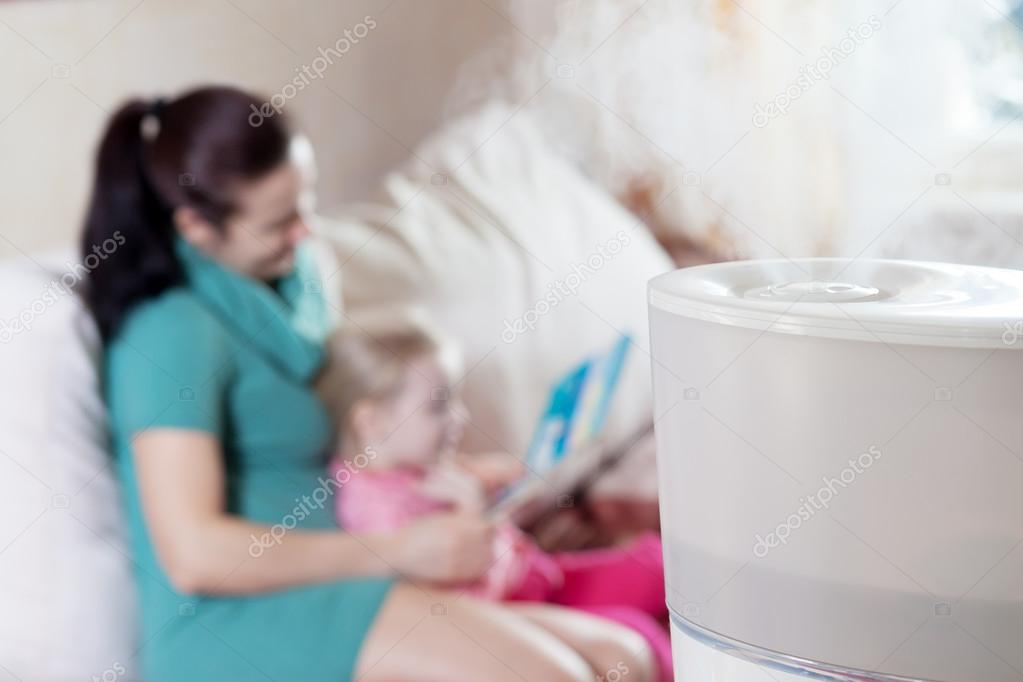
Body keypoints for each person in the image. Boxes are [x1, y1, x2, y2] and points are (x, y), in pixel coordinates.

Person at [84, 84, 654, 682]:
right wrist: (402, 551)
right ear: (197, 228)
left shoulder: (287, 293)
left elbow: (345, 454)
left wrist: (452, 480)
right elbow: (194, 555)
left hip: (343, 579)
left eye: (306, 206)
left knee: (623, 657)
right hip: (241, 618)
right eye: (280, 222)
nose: (305, 233)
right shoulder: (173, 331)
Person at [317, 315, 673, 681]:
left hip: (540, 576)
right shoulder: (376, 512)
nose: (461, 416)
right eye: (438, 407)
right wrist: (474, 512)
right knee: (639, 635)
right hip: (514, 604)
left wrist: (492, 481)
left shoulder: (408, 463)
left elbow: (449, 482)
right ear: (372, 422)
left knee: (659, 565)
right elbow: (460, 604)